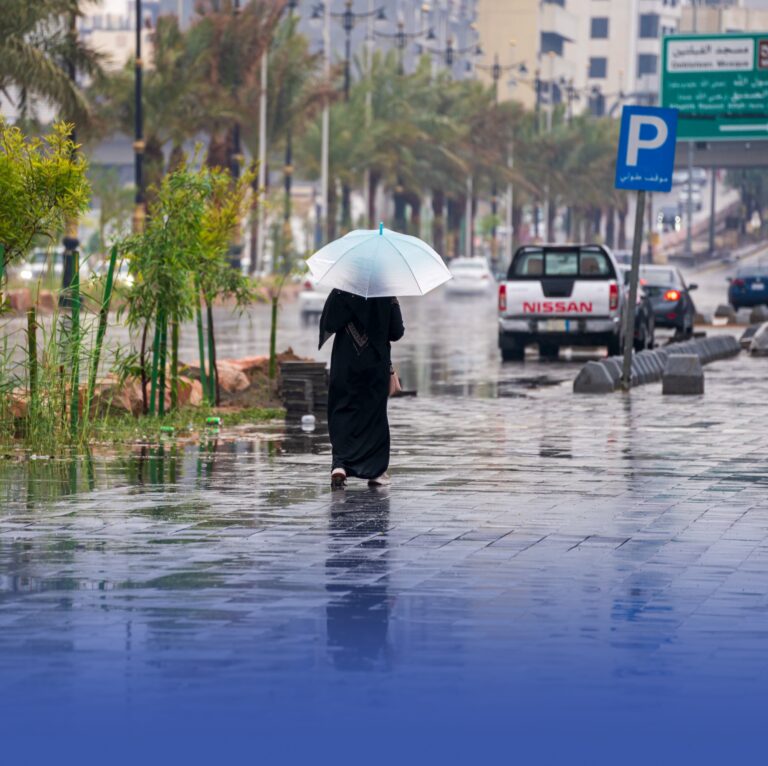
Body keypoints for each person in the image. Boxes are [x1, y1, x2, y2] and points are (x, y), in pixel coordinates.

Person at [319, 289, 405, 489]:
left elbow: (329, 323)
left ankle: (340, 465)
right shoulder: (386, 293)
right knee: (373, 415)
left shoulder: (341, 290)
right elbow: (396, 332)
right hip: (375, 363)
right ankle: (376, 472)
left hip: (345, 362)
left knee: (342, 409)